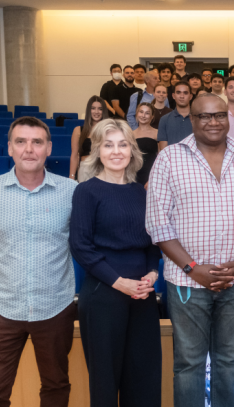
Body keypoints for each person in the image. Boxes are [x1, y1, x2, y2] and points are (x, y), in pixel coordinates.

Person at [146, 95, 234, 407]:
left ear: (229, 118)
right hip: (186, 282)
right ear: (192, 119)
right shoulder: (169, 159)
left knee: (228, 362)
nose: (213, 122)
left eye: (219, 115)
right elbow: (158, 225)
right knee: (189, 364)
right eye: (204, 116)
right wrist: (192, 268)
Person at [0, 117, 78, 407]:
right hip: (2, 306)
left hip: (55, 305)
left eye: (37, 142)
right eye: (21, 142)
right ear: (10, 148)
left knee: (56, 386)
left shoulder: (71, 191)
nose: (28, 149)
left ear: (49, 148)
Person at [70, 118, 162, 407]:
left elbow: (151, 243)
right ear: (97, 151)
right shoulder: (86, 191)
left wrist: (151, 272)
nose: (116, 151)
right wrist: (120, 283)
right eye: (108, 145)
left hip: (142, 296)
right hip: (103, 295)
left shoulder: (140, 193)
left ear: (133, 151)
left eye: (123, 144)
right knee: (105, 382)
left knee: (145, 380)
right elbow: (81, 247)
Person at [70, 95, 109, 180]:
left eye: (100, 109)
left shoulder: (109, 131)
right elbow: (74, 155)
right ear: (89, 110)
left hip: (103, 169)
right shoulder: (78, 130)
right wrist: (72, 177)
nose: (96, 112)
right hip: (85, 168)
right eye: (93, 108)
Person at [157, 81, 193, 151]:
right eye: (178, 92)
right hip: (172, 160)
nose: (182, 96)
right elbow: (163, 150)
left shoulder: (199, 119)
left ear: (190, 96)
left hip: (194, 160)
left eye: (185, 93)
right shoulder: (164, 119)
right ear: (173, 96)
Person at [133, 103, 160, 185]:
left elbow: (160, 157)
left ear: (152, 117)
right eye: (141, 112)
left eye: (147, 113)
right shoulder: (130, 134)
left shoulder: (157, 133)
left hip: (151, 175)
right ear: (137, 114)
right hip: (134, 175)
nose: (143, 115)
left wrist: (154, 177)